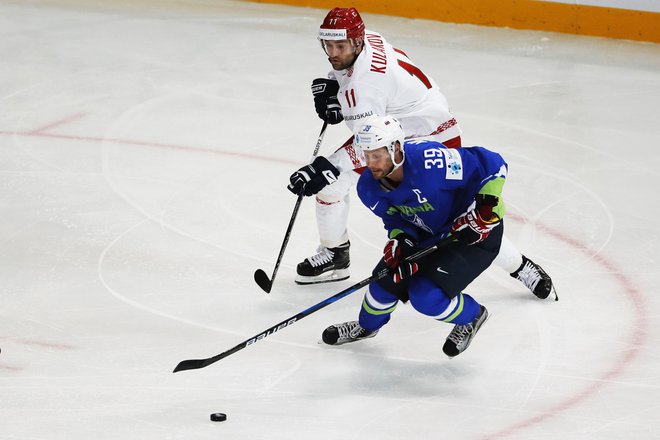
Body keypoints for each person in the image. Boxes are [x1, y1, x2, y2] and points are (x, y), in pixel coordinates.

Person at [287, 7, 554, 301]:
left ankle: (520, 266)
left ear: (357, 41)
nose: (334, 52)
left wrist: (326, 166)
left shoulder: (364, 91)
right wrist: (336, 86)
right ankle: (336, 252)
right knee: (333, 183)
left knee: (449, 222)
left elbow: (368, 144)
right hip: (417, 120)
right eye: (329, 45)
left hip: (428, 138)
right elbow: (361, 84)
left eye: (341, 46)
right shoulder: (369, 40)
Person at [321, 115, 507, 356]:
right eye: (366, 155)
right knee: (382, 284)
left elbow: (491, 163)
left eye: (376, 155)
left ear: (396, 149)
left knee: (426, 297)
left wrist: (487, 203)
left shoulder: (431, 161)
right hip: (427, 235)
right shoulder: (368, 187)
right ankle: (366, 328)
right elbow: (395, 219)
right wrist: (402, 240)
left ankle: (472, 316)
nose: (370, 163)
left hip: (471, 234)